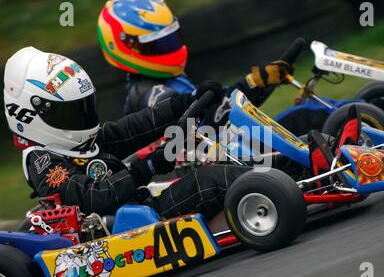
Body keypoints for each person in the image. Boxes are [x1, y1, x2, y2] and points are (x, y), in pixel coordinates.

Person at [4, 47, 295, 221]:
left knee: (218, 166)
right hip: (123, 227)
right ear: (30, 115)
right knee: (205, 181)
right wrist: (149, 166)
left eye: (84, 108)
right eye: (71, 111)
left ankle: (294, 168)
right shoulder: (43, 162)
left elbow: (135, 127)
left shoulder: (82, 142)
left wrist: (187, 100)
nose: (82, 118)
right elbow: (96, 197)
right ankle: (285, 187)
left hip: (138, 207)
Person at [97, 0, 291, 129]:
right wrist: (251, 84)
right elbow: (206, 126)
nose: (169, 49)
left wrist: (258, 82)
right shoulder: (148, 95)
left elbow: (215, 102)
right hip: (205, 173)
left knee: (304, 116)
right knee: (306, 118)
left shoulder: (170, 80)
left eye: (170, 39)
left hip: (228, 155)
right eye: (157, 45)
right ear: (126, 47)